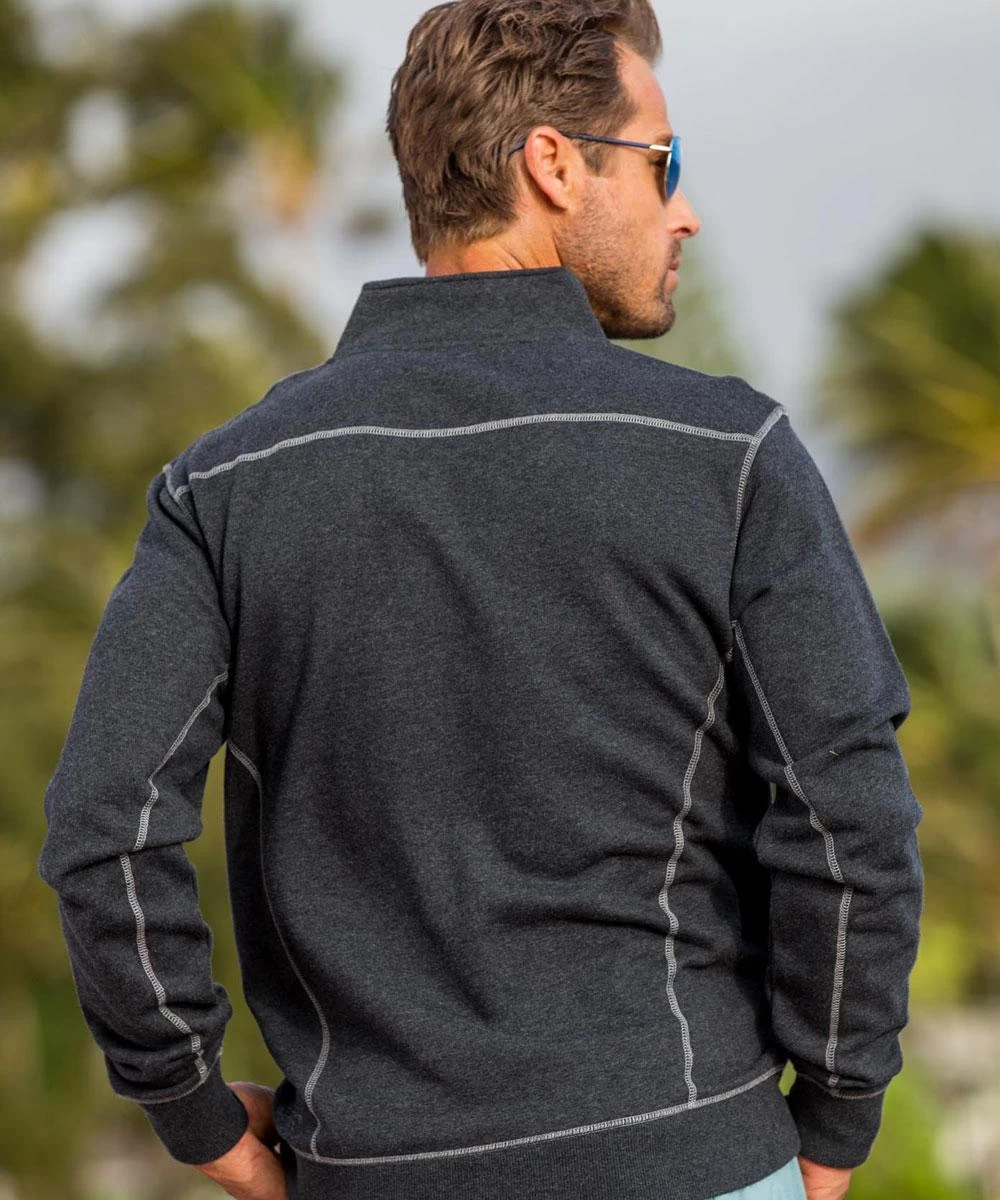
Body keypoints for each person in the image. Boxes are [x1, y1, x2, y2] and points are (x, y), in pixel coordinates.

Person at [37, 1, 924, 1198]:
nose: (685, 209)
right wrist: (837, 1115)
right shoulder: (726, 455)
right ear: (552, 164)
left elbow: (105, 832)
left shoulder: (227, 485)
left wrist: (191, 1111)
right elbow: (846, 822)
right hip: (696, 1158)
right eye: (662, 161)